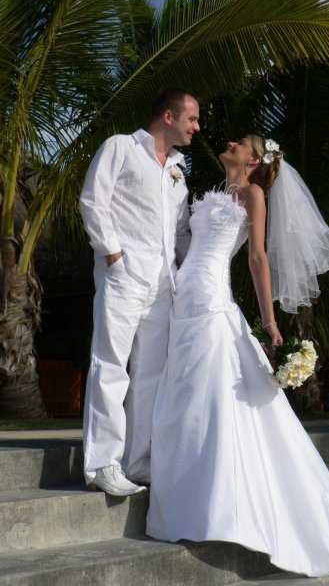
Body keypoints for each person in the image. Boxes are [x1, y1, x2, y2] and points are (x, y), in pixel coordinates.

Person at [146, 135, 329, 576]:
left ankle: (217, 504)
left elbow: (257, 258)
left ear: (254, 160)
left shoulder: (253, 195)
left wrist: (270, 321)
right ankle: (188, 489)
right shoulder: (214, 189)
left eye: (241, 143)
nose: (230, 142)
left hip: (211, 300)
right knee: (186, 391)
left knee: (210, 393)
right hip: (184, 297)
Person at [79, 87, 200, 496]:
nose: (197, 127)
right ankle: (102, 463)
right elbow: (93, 201)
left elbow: (180, 232)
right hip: (124, 275)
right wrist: (114, 256)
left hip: (163, 284)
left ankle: (138, 460)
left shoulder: (178, 169)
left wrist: (193, 271)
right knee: (110, 364)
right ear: (169, 117)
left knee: (150, 373)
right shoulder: (121, 148)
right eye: (192, 119)